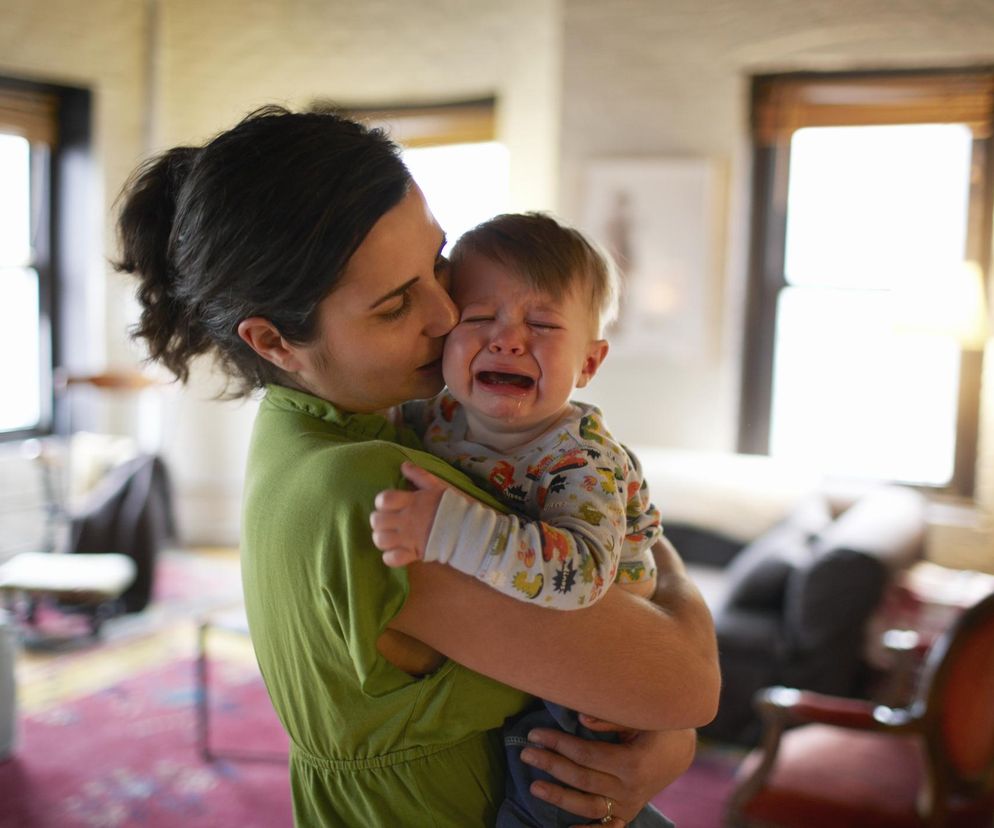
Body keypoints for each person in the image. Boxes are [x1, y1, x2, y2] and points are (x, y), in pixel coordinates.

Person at [115, 105, 719, 827]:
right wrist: (671, 711)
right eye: (397, 303)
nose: (447, 314)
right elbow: (685, 684)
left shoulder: (345, 426)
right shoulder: (378, 493)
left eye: (436, 264)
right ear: (275, 340)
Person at [370, 212, 674, 827]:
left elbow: (582, 576)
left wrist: (449, 529)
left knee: (556, 792)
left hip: (590, 670)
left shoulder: (582, 460)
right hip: (513, 643)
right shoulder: (434, 417)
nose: (508, 340)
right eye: (478, 318)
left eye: (542, 324)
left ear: (588, 364)